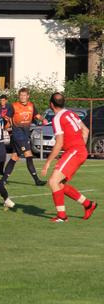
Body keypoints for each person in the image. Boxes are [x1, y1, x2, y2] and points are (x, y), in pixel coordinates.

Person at [41, 92, 97, 222]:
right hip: (78, 151)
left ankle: (62, 216)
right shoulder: (71, 113)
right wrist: (80, 147)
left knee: (53, 182)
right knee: (59, 184)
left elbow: (59, 142)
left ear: (51, 104)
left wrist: (47, 162)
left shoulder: (57, 118)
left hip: (74, 151)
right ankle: (88, 205)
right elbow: (86, 131)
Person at [3, 88, 48, 186]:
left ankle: (4, 179)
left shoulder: (31, 106)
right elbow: (7, 118)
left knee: (15, 157)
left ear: (28, 96)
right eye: (21, 95)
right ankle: (37, 180)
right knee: (29, 155)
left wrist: (43, 119)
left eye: (24, 95)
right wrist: (7, 126)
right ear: (19, 96)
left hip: (25, 134)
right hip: (17, 135)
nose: (22, 97)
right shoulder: (13, 106)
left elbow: (37, 115)